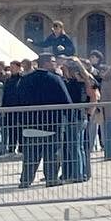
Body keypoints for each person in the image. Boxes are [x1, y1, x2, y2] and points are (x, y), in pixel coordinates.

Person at [16, 54, 71, 186]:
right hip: (51, 124)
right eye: (53, 61)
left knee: (30, 156)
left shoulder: (25, 80)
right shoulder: (55, 79)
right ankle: (51, 179)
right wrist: (69, 117)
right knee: (52, 154)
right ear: (45, 63)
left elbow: (17, 99)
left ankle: (25, 181)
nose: (55, 64)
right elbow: (66, 101)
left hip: (29, 124)